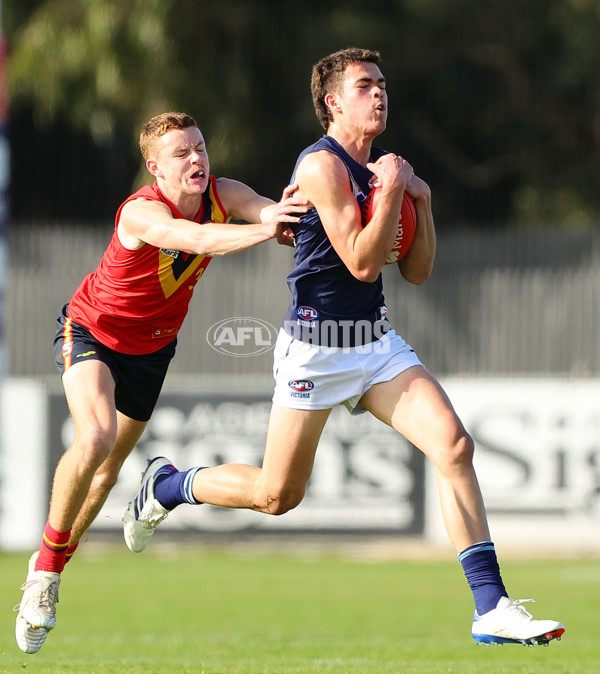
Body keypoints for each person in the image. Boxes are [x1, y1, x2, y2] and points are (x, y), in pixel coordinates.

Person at [123, 50, 566, 647]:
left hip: (375, 343)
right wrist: (389, 195)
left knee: (454, 445)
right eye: (365, 86)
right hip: (316, 350)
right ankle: (168, 486)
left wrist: (422, 203)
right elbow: (360, 263)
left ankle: (490, 607)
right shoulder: (320, 166)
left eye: (382, 84)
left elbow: (417, 273)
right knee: (277, 496)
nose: (379, 94)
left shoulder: (387, 171)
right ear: (333, 102)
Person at [14, 111, 308, 654]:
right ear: (155, 167)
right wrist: (266, 229)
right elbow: (193, 239)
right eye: (181, 153)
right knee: (96, 437)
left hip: (152, 351)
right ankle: (45, 578)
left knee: (105, 480)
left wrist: (295, 214)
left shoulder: (225, 193)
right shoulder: (143, 211)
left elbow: (269, 211)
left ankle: (61, 557)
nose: (196, 158)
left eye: (200, 147)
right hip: (93, 334)